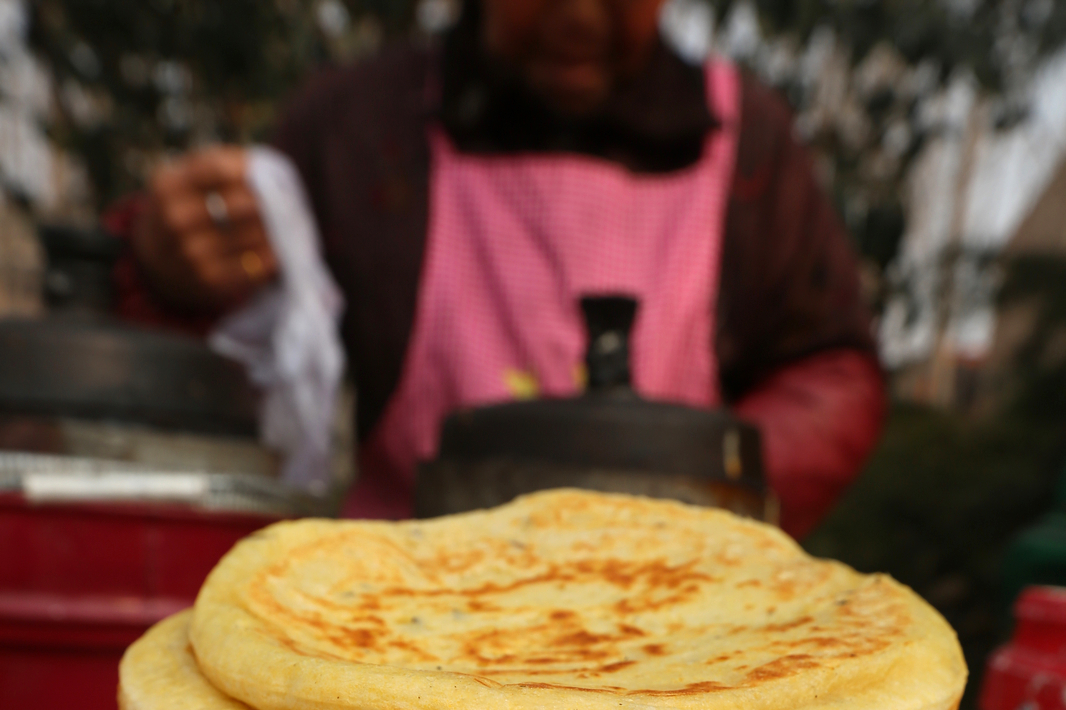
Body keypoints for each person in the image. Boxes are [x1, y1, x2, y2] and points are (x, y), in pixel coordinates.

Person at [113, 0, 885, 536]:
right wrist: (172, 274)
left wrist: (703, 490)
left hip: (668, 633)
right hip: (401, 629)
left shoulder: (749, 144)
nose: (579, 16)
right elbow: (242, 354)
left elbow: (832, 372)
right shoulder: (360, 128)